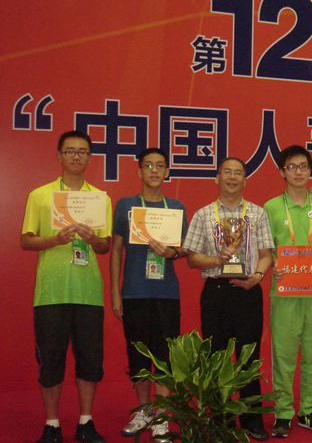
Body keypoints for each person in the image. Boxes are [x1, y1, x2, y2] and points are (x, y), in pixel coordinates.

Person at [21, 130, 112, 443]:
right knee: (51, 359)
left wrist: (93, 239)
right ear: (59, 156)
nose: (76, 156)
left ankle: (86, 422)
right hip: (51, 292)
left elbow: (105, 246)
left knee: (89, 359)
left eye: (82, 151)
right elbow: (26, 240)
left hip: (89, 293)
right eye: (70, 151)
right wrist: (54, 240)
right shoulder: (40, 195)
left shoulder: (99, 198)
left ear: (90, 158)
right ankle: (52, 424)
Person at [183, 157, 274, 441]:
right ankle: (220, 418)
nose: (233, 177)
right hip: (216, 292)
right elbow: (192, 257)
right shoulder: (203, 214)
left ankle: (251, 418)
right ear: (217, 178)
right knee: (217, 356)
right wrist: (216, 260)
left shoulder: (257, 214)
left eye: (238, 173)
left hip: (249, 291)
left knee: (249, 356)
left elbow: (267, 254)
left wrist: (257, 276)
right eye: (227, 172)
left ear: (245, 180)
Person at [110, 148, 188, 440]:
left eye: (160, 166)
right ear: (139, 171)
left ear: (167, 172)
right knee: (138, 353)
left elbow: (184, 248)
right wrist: (115, 293)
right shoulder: (126, 206)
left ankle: (162, 416)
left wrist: (172, 252)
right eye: (149, 166)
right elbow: (116, 250)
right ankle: (144, 409)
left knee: (165, 356)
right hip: (134, 292)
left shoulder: (176, 207)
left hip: (167, 293)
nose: (154, 170)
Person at [263, 145, 312, 438]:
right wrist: (274, 264)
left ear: (310, 170)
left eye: (303, 166)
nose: (298, 172)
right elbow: (266, 249)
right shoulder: (271, 207)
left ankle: (307, 410)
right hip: (285, 291)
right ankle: (282, 413)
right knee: (283, 354)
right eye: (292, 167)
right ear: (283, 172)